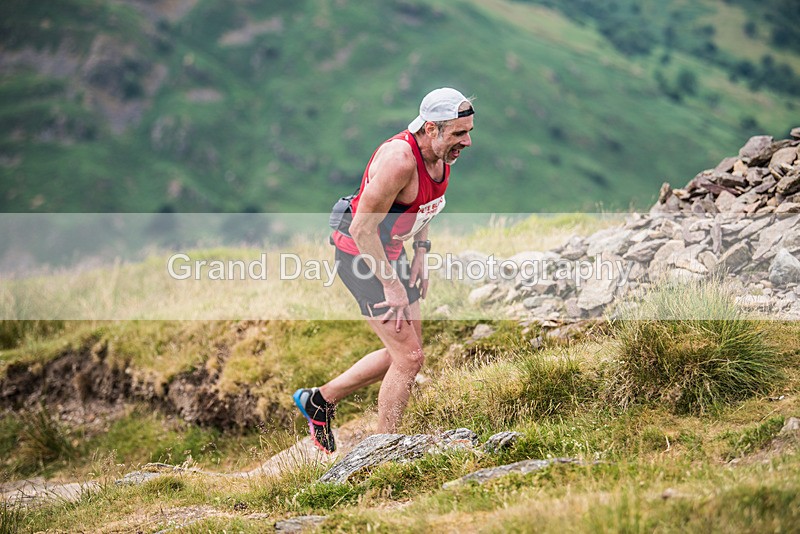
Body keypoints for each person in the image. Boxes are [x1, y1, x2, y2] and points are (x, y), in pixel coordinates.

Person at [293, 87, 475, 453]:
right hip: (361, 257)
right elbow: (361, 229)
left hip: (392, 253)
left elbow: (427, 205)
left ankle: (319, 400)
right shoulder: (399, 161)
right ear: (431, 128)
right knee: (410, 358)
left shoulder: (441, 156)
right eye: (459, 133)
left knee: (406, 351)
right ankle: (382, 451)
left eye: (469, 131)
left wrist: (421, 252)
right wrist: (390, 284)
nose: (467, 142)